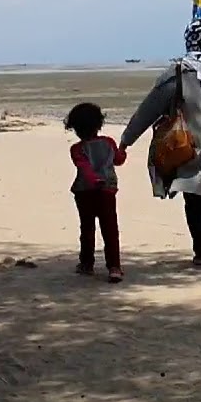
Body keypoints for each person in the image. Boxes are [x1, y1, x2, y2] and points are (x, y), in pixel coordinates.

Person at [119, 19, 201, 267]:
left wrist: (126, 140)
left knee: (193, 198)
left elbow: (148, 110)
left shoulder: (177, 74)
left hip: (187, 144)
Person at [65, 102, 127, 283]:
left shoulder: (76, 149)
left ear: (75, 128)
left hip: (84, 191)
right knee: (110, 229)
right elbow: (119, 160)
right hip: (107, 190)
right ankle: (114, 266)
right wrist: (123, 150)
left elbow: (83, 166)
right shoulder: (108, 143)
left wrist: (93, 180)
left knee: (87, 228)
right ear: (99, 124)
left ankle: (86, 264)